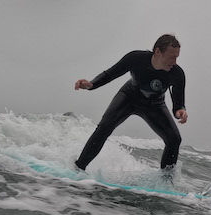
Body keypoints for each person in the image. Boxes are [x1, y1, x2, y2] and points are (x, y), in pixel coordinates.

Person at [73, 34, 188, 175]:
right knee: (104, 127)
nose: (174, 62)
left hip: (154, 105)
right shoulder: (136, 58)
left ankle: (165, 182)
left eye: (177, 57)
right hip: (129, 97)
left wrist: (180, 110)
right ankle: (78, 168)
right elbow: (110, 74)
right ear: (158, 52)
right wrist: (91, 84)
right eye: (171, 57)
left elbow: (178, 102)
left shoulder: (177, 74)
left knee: (174, 139)